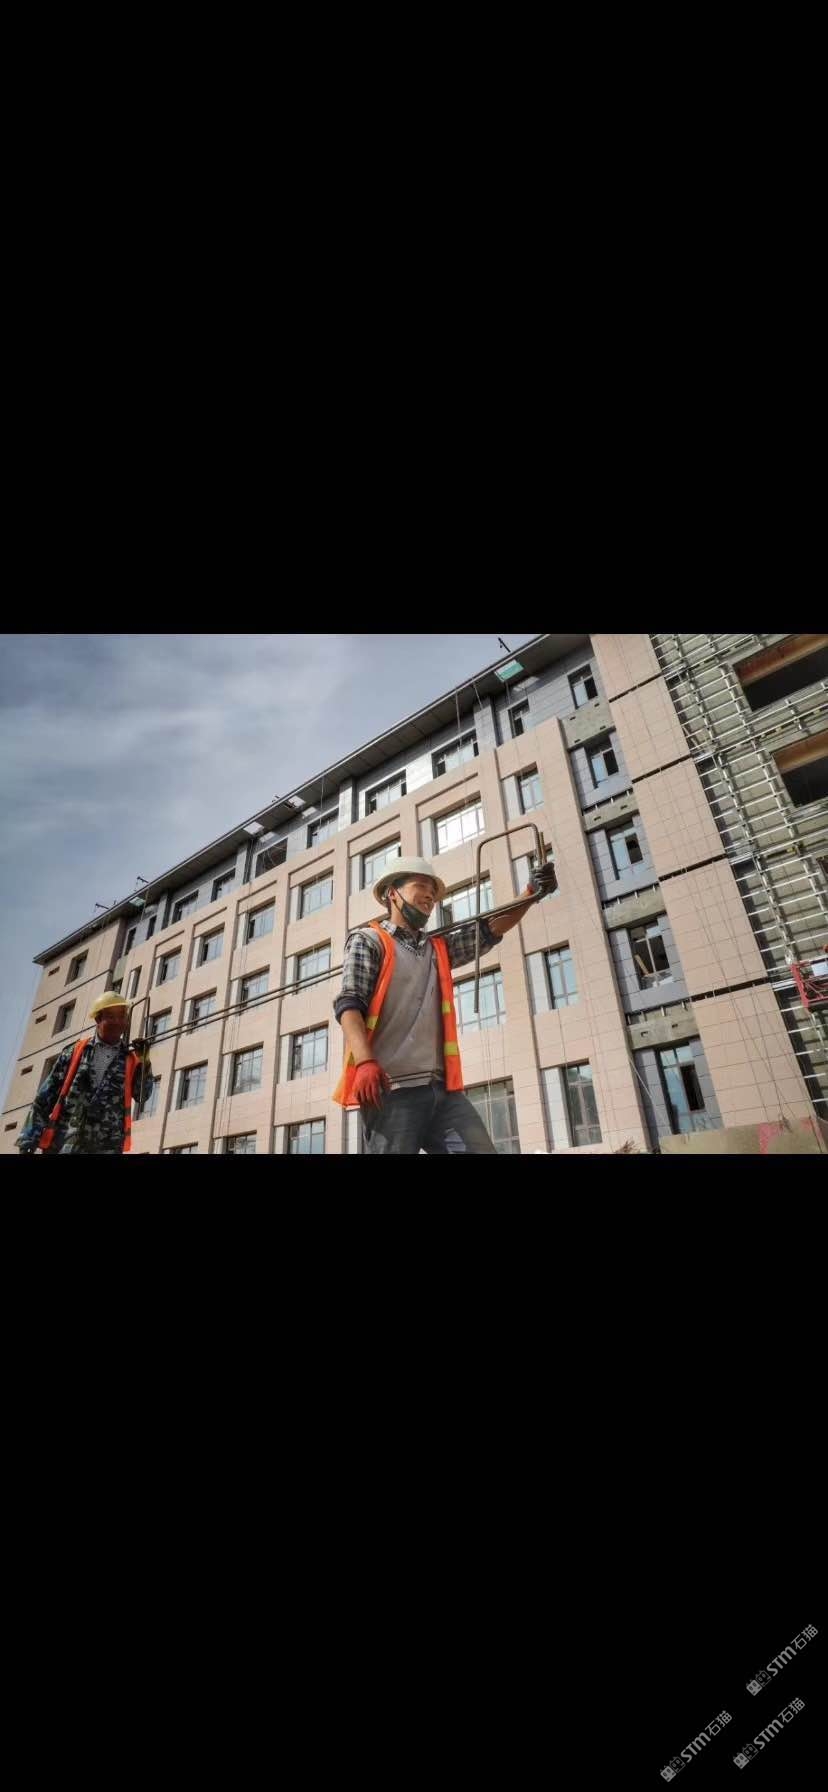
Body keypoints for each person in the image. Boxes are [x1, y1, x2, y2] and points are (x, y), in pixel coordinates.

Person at [332, 854, 557, 1153]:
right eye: (421, 886)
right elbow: (349, 1004)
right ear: (392, 893)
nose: (430, 896)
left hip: (442, 1092)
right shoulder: (369, 940)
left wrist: (530, 893)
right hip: (392, 1090)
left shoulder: (437, 948)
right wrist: (364, 1062)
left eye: (433, 892)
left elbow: (489, 929)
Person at [16, 991, 154, 1155]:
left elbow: (142, 1095)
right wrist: (28, 1141)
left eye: (122, 1017)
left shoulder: (131, 1060)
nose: (118, 1022)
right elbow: (44, 1100)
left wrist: (145, 1062)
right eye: (111, 1016)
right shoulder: (75, 1052)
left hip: (107, 1146)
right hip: (66, 1143)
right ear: (98, 1019)